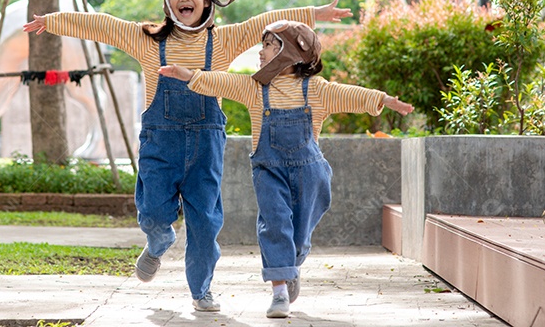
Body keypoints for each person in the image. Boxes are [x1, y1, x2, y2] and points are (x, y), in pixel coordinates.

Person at [22, 0, 350, 313]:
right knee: (151, 213)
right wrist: (53, 20)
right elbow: (101, 24)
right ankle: (159, 238)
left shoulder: (223, 41)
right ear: (167, 2)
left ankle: (201, 289)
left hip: (206, 147)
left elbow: (267, 21)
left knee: (205, 224)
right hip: (160, 146)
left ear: (207, 0)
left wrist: (315, 13)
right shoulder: (147, 39)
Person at [158, 20, 413, 319]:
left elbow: (349, 94)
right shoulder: (255, 88)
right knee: (275, 223)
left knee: (299, 237)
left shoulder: (315, 90)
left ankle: (292, 262)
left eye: (269, 45)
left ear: (291, 53)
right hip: (268, 170)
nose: (261, 51)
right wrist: (189, 76)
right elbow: (221, 82)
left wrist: (382, 99)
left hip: (311, 173)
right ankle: (279, 292)